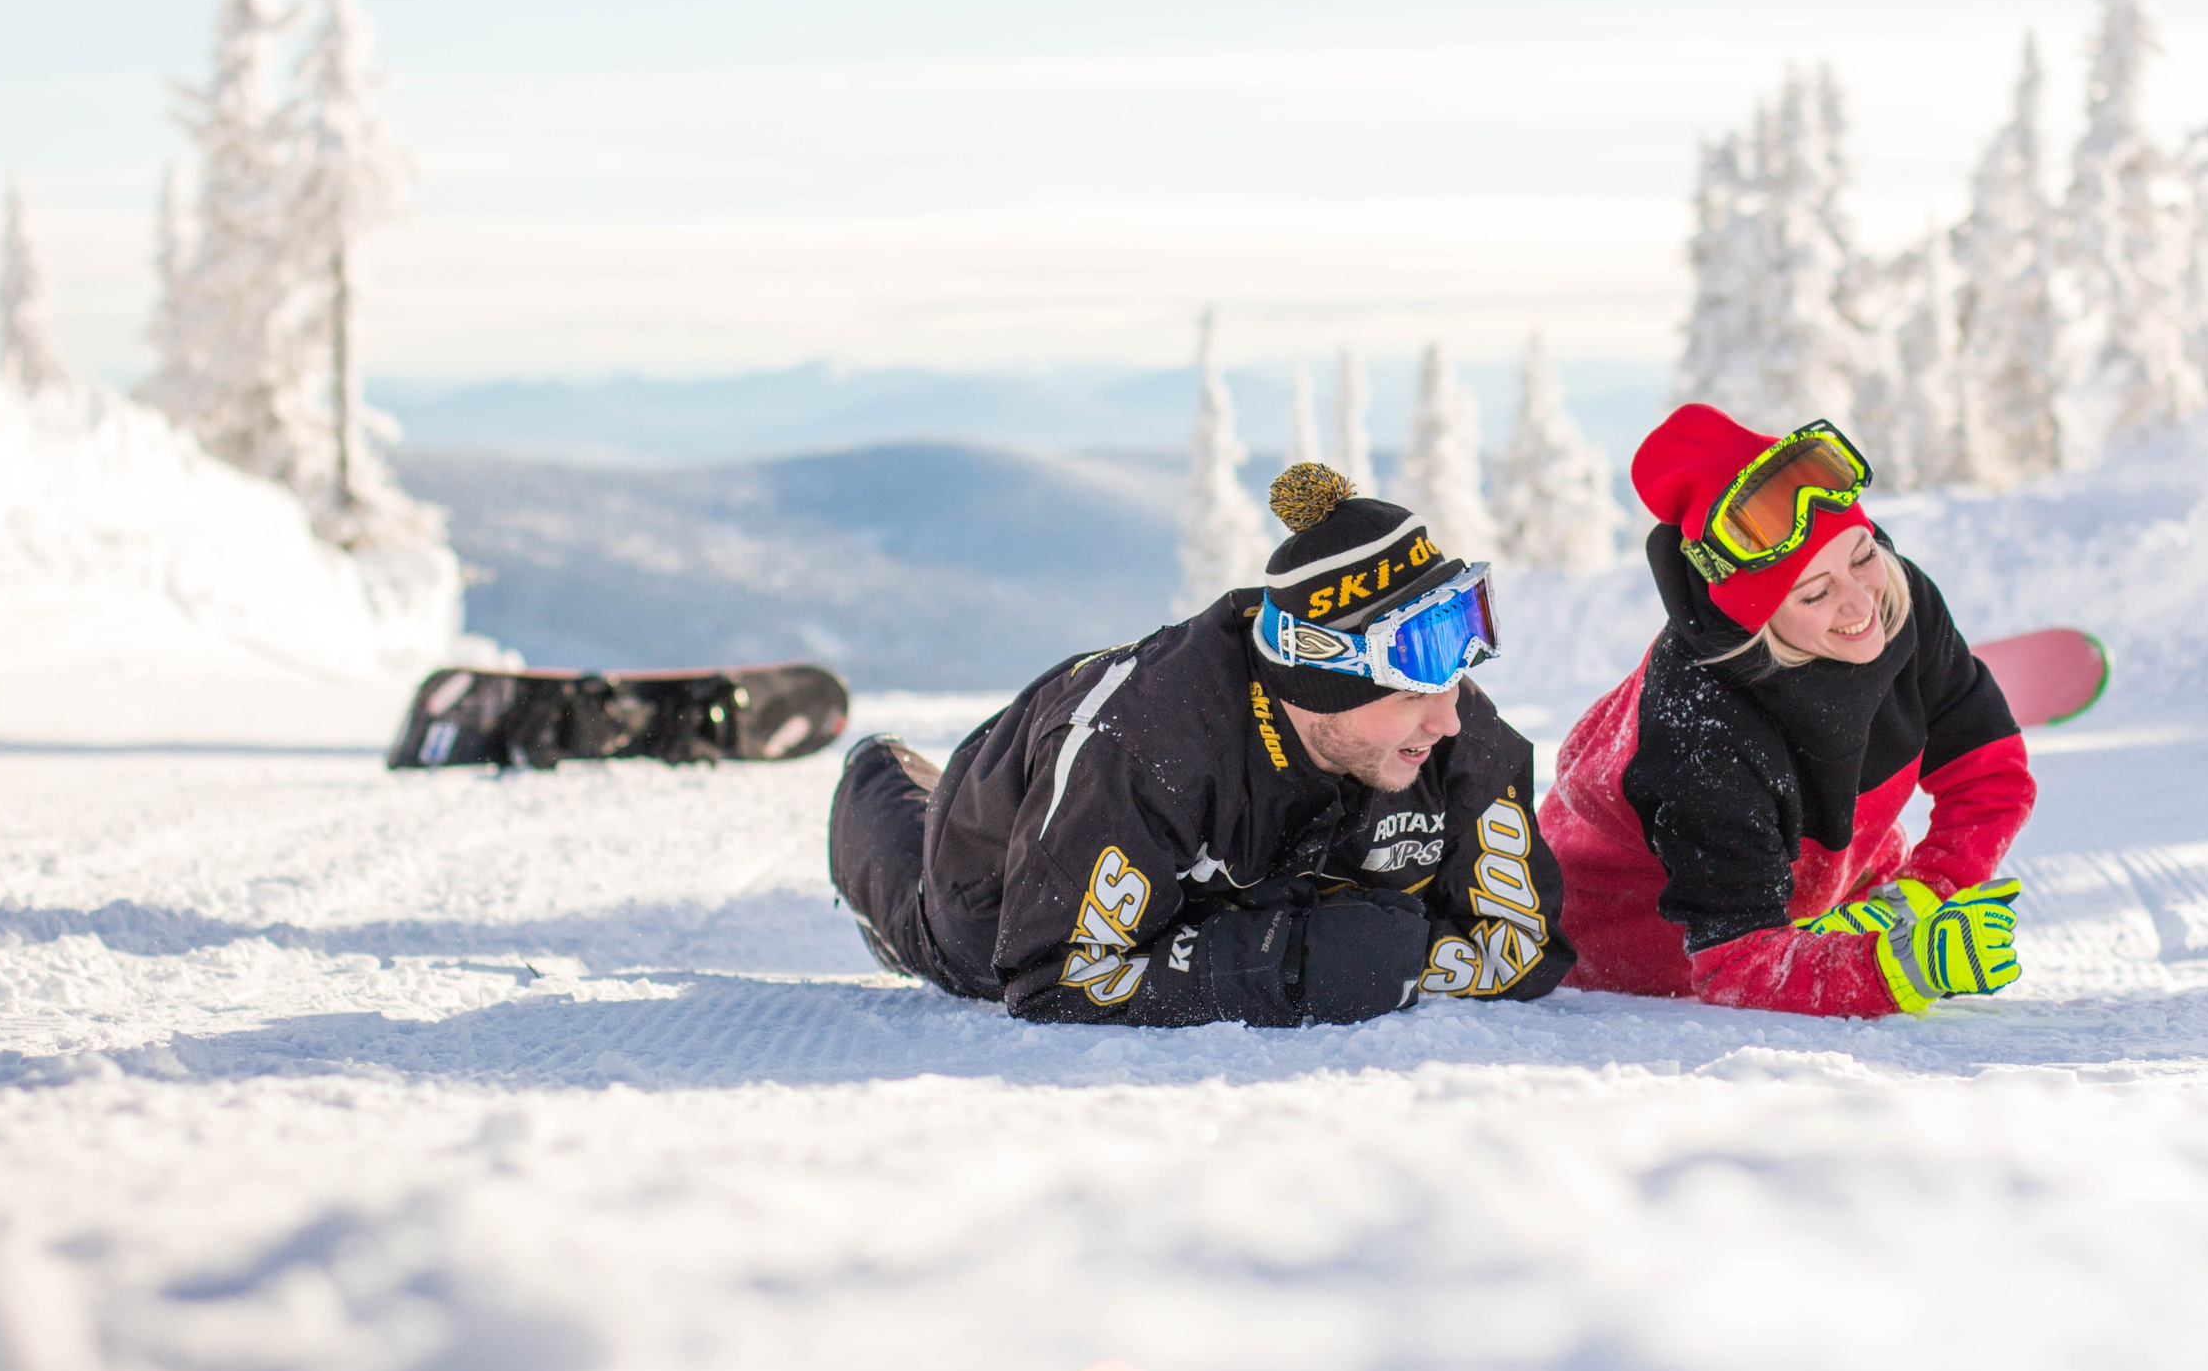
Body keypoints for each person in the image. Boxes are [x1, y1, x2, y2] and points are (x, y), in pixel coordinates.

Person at [828, 463, 1576, 1026]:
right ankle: (876, 769)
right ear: (1322, 679)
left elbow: (1523, 949)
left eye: (1460, 666)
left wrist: (1379, 950)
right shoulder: (1145, 752)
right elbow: (1049, 976)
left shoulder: (1457, 736)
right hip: (996, 857)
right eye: (1415, 686)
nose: (1447, 716)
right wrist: (1286, 963)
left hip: (1148, 805)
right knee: (915, 881)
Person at [1538, 404, 2034, 1018]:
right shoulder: (1702, 735)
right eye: (1815, 592)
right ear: (1757, 617)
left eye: (1861, 555)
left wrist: (1925, 892)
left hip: (1821, 887)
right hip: (1643, 945)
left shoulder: (1901, 602)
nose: (1861, 602)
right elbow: (1736, 966)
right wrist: (1901, 966)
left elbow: (1991, 778)